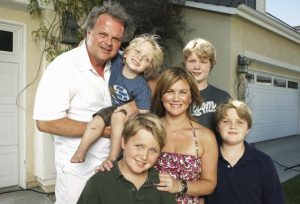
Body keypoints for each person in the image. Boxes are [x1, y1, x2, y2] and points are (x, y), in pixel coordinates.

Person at [33, 2, 132, 203]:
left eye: (116, 39)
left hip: (118, 167)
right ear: (88, 32)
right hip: (77, 171)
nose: (109, 43)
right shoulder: (63, 67)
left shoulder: (125, 64)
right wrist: (103, 131)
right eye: (103, 34)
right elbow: (46, 122)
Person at [70, 34, 164, 164]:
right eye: (137, 51)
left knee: (117, 117)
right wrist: (84, 44)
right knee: (97, 120)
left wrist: (135, 130)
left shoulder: (142, 87)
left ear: (149, 67)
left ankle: (112, 157)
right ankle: (81, 149)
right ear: (126, 53)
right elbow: (95, 46)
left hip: (128, 115)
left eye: (146, 59)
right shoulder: (117, 61)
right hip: (113, 107)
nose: (139, 58)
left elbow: (143, 115)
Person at [77, 112, 176, 204]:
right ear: (123, 142)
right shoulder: (99, 181)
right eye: (139, 146)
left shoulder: (161, 183)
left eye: (153, 150)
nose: (144, 156)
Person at [151, 67, 218, 204]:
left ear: (191, 97)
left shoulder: (205, 136)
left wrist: (178, 185)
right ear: (161, 96)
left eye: (183, 92)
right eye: (170, 91)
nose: (176, 98)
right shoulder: (149, 129)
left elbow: (210, 184)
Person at [205, 100, 285, 204]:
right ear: (217, 127)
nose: (233, 126)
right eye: (226, 121)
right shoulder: (207, 159)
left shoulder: (263, 162)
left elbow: (275, 200)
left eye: (240, 122)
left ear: (248, 129)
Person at [183, 38, 231, 133]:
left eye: (203, 62)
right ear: (185, 63)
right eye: (192, 61)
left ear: (211, 65)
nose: (197, 67)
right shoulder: (174, 97)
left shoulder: (223, 98)